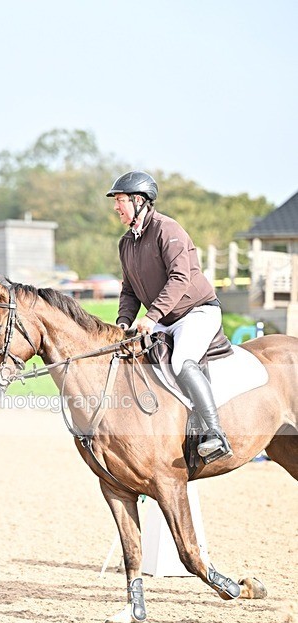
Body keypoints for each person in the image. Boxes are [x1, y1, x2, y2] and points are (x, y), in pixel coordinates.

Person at [106, 170, 233, 463]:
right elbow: (129, 291)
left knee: (181, 361)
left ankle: (215, 433)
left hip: (196, 311)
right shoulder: (126, 243)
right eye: (116, 201)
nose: (116, 207)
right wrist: (123, 322)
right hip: (164, 317)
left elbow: (179, 279)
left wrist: (151, 317)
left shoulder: (168, 229)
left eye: (121, 200)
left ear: (140, 201)